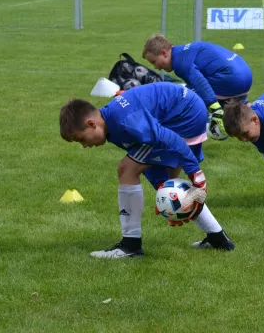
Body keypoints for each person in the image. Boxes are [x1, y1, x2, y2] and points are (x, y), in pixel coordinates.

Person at [60, 82, 235, 259]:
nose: (84, 146)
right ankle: (218, 239)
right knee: (168, 187)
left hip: (184, 115)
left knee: (126, 169)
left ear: (91, 124)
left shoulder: (125, 121)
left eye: (82, 139)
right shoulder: (112, 123)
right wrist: (165, 193)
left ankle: (130, 246)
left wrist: (196, 174)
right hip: (187, 109)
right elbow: (147, 158)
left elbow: (170, 139)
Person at [142, 33, 252, 140]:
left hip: (230, 78)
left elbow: (200, 83)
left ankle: (177, 137)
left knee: (181, 97)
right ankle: (258, 118)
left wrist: (215, 110)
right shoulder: (184, 51)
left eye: (154, 61)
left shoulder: (180, 62)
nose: (155, 67)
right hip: (245, 74)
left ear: (164, 53)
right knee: (240, 108)